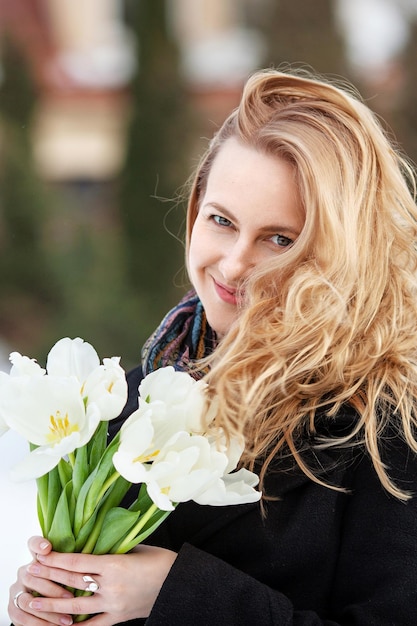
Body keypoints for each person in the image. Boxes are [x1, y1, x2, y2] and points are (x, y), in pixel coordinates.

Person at [8, 66, 417, 625]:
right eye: (222, 220)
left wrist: (176, 592)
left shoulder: (386, 423)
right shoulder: (127, 397)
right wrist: (55, 605)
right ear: (196, 205)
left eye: (280, 239)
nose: (233, 264)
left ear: (341, 251)